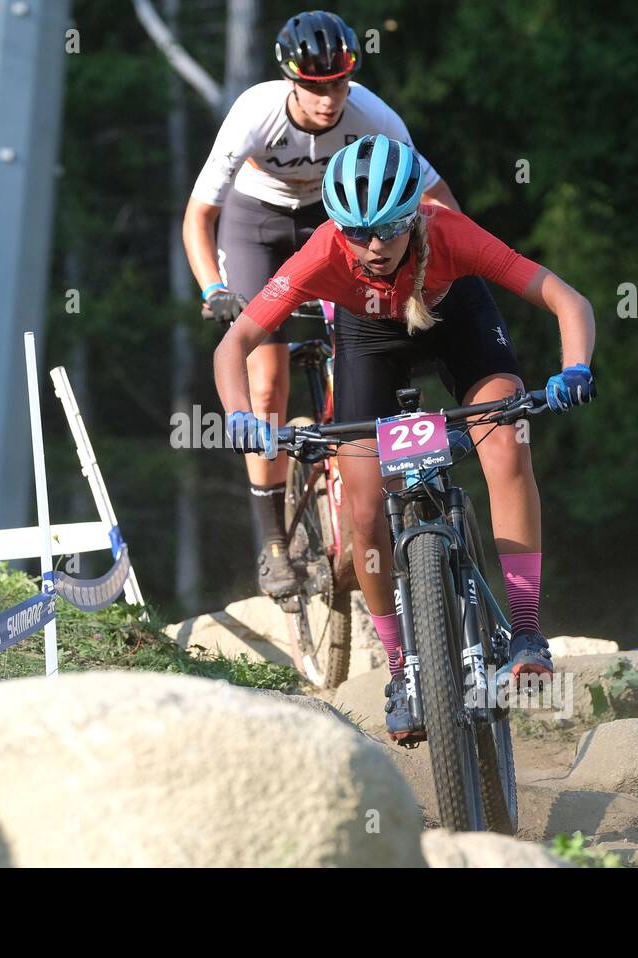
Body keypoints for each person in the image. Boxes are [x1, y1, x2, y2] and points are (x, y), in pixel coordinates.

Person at [213, 134, 597, 741]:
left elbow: (565, 299)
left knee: (506, 444)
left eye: (389, 229)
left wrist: (574, 368)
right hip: (369, 340)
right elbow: (234, 343)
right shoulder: (322, 252)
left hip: (456, 320)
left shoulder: (449, 232)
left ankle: (527, 630)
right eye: (356, 232)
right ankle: (402, 667)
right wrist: (240, 413)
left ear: (413, 216)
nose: (372, 246)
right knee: (365, 507)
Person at [182, 10, 460, 596]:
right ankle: (274, 545)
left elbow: (435, 201)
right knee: (267, 385)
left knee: (377, 336)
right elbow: (199, 216)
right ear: (289, 80)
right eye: (314, 87)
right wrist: (213, 289)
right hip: (255, 225)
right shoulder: (253, 113)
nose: (329, 100)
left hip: (334, 221)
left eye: (339, 84)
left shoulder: (374, 116)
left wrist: (443, 266)